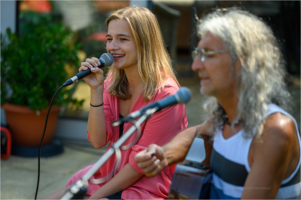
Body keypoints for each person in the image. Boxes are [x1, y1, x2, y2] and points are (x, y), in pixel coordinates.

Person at [135, 7, 301, 199]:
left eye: (208, 54)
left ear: (241, 61)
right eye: (197, 53)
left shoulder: (273, 131)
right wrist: (164, 155)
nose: (196, 65)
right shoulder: (225, 119)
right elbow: (197, 133)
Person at [43, 6, 188, 199]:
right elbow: (98, 140)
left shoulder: (167, 95)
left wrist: (94, 197)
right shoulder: (113, 82)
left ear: (144, 44)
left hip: (146, 186)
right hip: (111, 174)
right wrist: (96, 89)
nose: (112, 47)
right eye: (109, 39)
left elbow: (138, 168)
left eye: (123, 39)